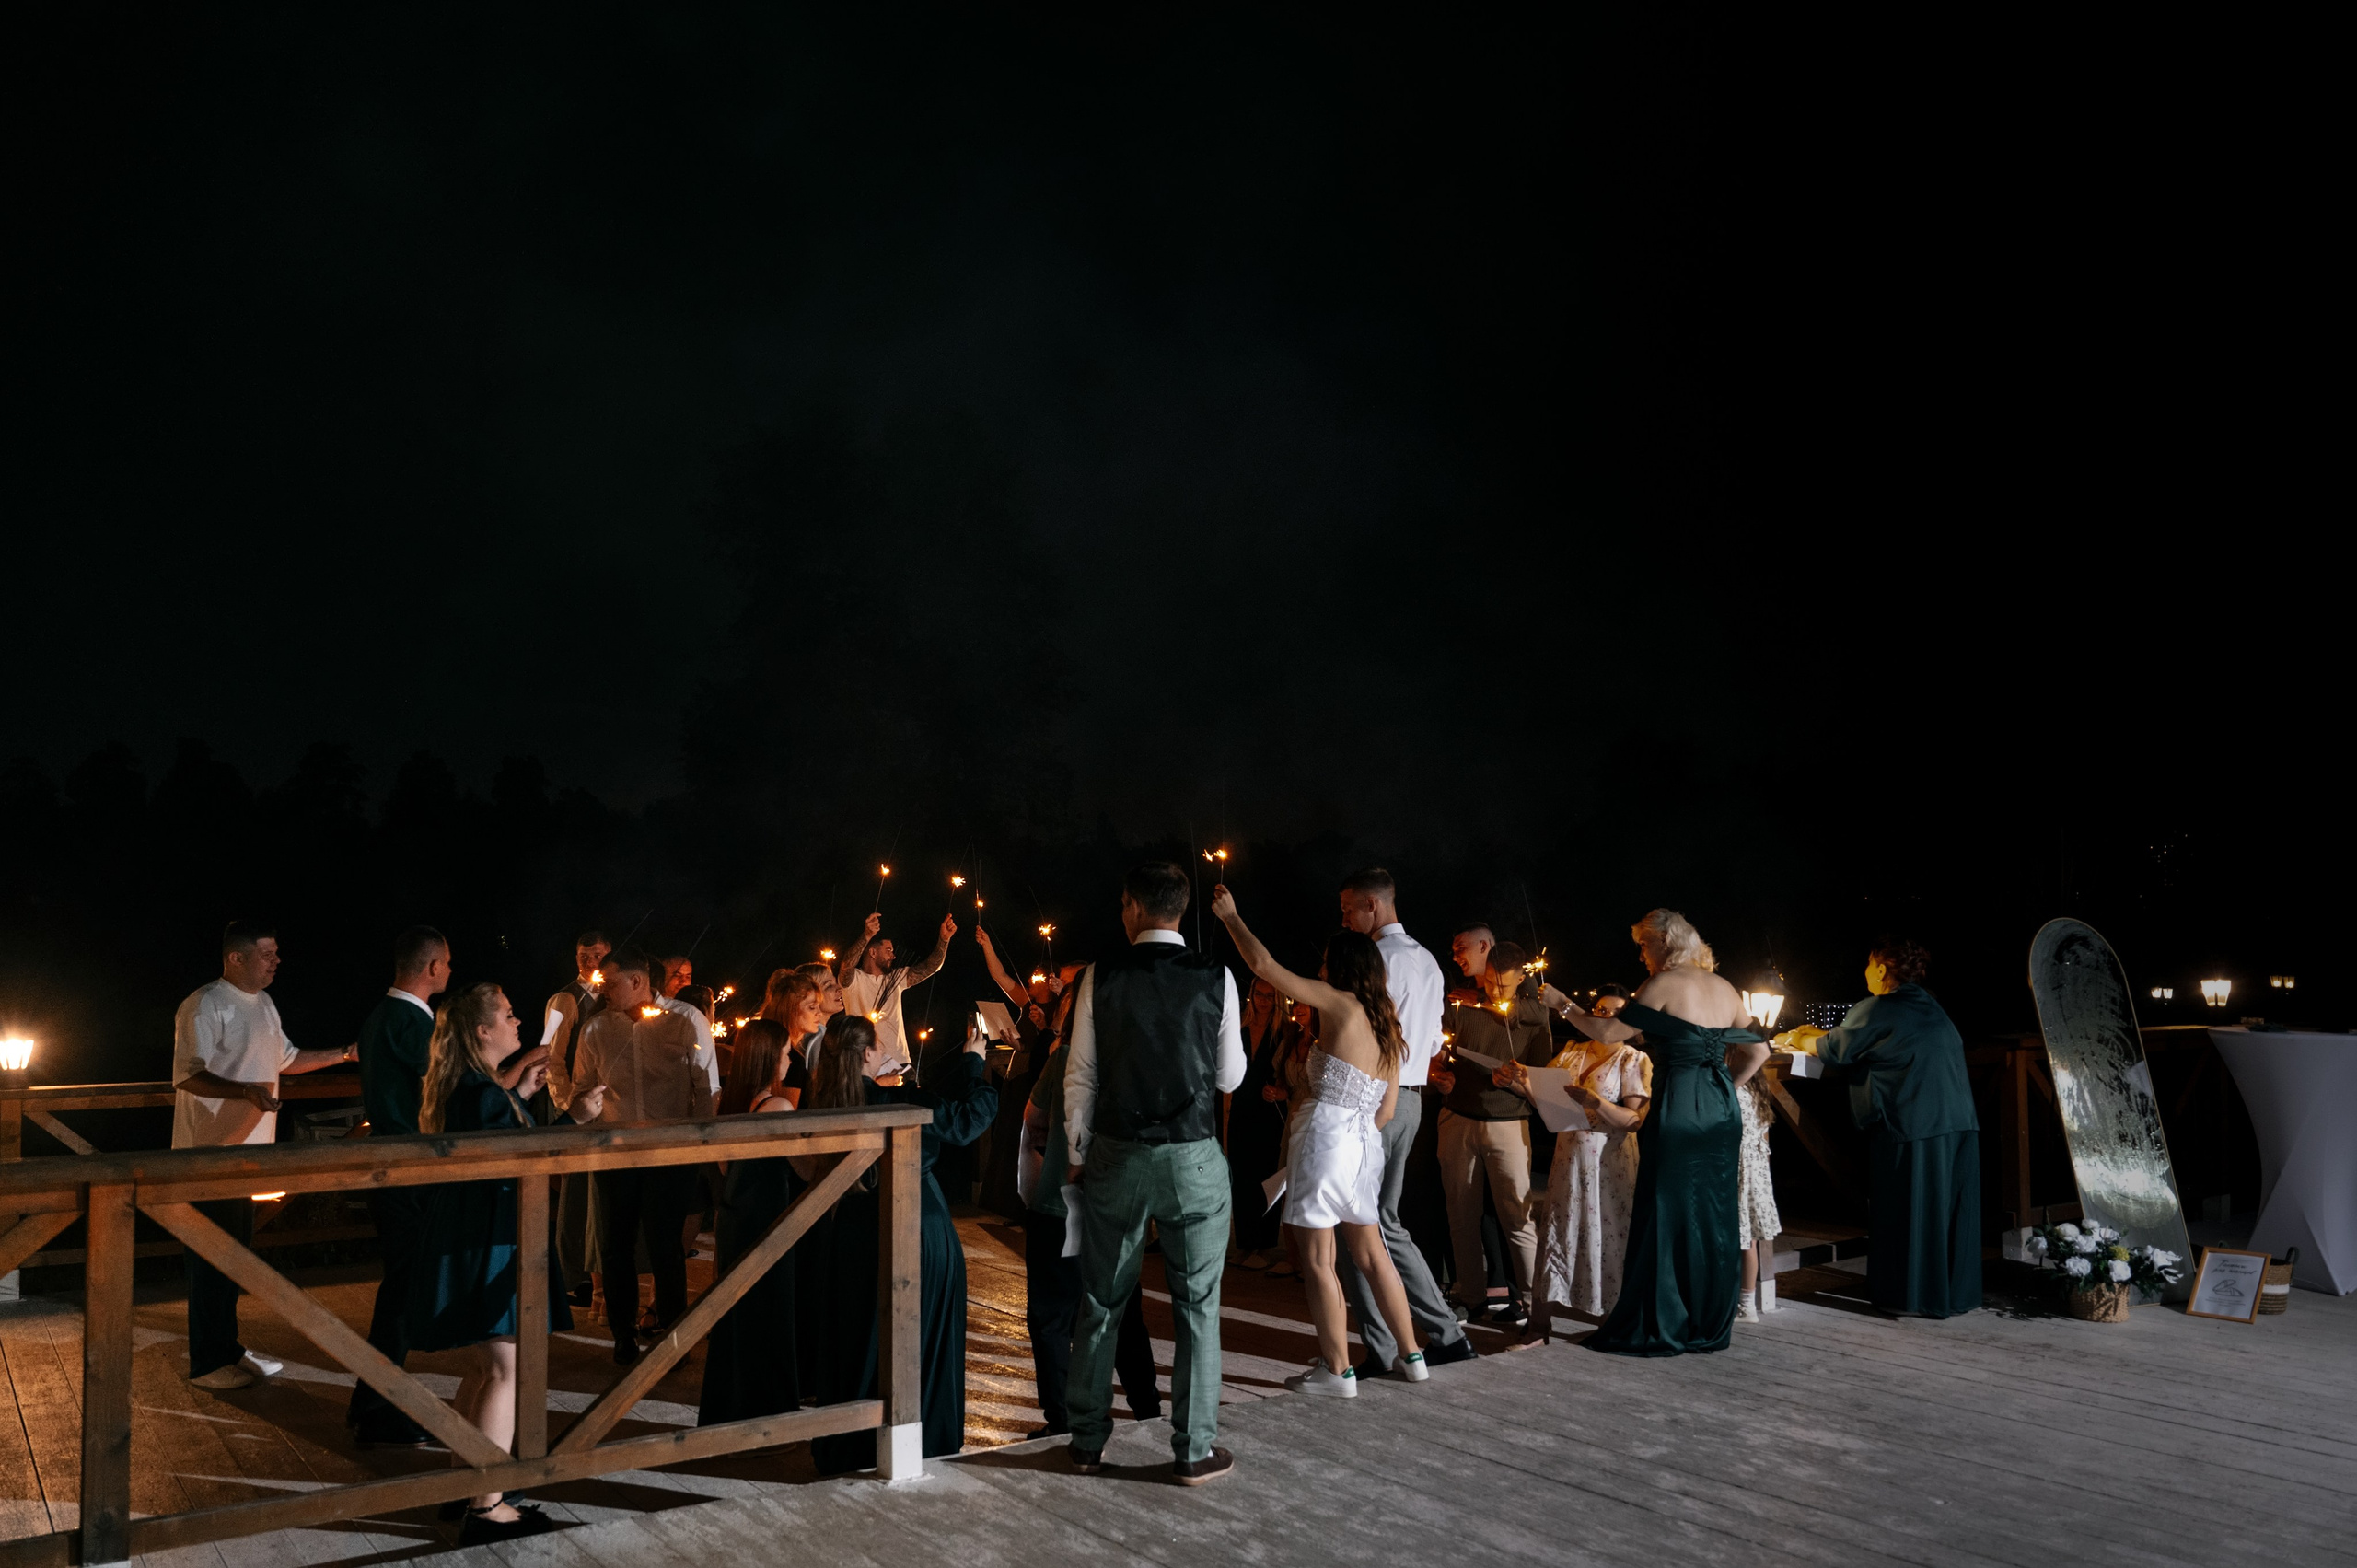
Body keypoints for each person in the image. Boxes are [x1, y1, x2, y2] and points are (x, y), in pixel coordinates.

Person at [1062, 862, 1244, 1485]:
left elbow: (1080, 1074)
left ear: (1134, 906)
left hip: (1117, 1149)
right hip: (1192, 1153)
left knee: (1102, 1300)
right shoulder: (1215, 976)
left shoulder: (1099, 975)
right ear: (1182, 908)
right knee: (1198, 1304)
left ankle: (1085, 1437)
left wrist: (1077, 1150)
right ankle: (1193, 1447)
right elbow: (1229, 1076)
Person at [408, 982, 606, 1545]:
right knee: (503, 1370)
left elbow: (493, 1128)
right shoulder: (479, 1094)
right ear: (482, 1032)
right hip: (490, 1241)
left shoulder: (473, 1087)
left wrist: (518, 1088)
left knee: (483, 1368)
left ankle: (463, 1486)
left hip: (471, 1235)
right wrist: (574, 1118)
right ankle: (487, 1504)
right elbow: (523, 1157)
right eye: (510, 1016)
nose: (519, 1023)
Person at [1213, 886, 1428, 1399]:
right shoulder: (1389, 1027)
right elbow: (1387, 1111)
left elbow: (1265, 965)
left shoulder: (1339, 1004)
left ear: (1343, 967)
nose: (1323, 969)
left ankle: (1336, 1369)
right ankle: (1413, 1355)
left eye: (1328, 961)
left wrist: (1231, 917)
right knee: (1373, 1255)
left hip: (1326, 1135)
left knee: (1317, 1260)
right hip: (1363, 1146)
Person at [1560, 910, 1769, 1357]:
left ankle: (1665, 1320)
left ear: (1664, 944)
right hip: (1720, 1108)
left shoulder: (1661, 985)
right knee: (1713, 1211)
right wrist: (1725, 1087)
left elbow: (1606, 1030)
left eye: (1643, 945)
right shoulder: (1724, 987)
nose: (1641, 956)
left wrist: (1562, 1005)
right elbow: (1759, 1053)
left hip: (1679, 1106)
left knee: (1666, 1208)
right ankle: (1709, 1320)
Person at [804, 1011, 998, 1474]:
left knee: (858, 1336)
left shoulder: (826, 1103)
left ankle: (849, 1446)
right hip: (917, 1225)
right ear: (869, 1053)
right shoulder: (905, 1103)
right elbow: (972, 1119)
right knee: (921, 1337)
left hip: (852, 1233)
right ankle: (923, 1443)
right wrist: (975, 1063)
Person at [172, 921, 356, 1390]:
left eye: (276, 953)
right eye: (267, 953)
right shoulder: (205, 1004)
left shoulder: (266, 1005)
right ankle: (207, 1365)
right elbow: (188, 1076)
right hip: (207, 1156)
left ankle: (229, 1350)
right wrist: (246, 1093)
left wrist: (347, 1053)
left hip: (251, 1155)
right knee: (212, 1261)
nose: (277, 961)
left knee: (236, 1258)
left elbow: (288, 1059)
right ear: (236, 957)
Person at [1332, 869, 1478, 1376]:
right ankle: (1437, 1334)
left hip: (1376, 1099)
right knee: (1379, 1222)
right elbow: (1433, 1036)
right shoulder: (1428, 962)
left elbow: (1376, 1033)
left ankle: (1393, 1344)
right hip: (1410, 1099)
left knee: (1363, 1223)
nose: (1344, 919)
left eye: (1349, 908)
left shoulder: (1378, 960)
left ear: (1373, 905)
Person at [1793, 937, 1980, 1318]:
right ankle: (1952, 1294)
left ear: (1881, 969)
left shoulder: (1879, 1007)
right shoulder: (1931, 1004)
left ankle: (1910, 1296)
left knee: (1908, 1207)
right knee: (1945, 1210)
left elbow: (1834, 1047)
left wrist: (1796, 1036)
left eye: (1868, 964)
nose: (1864, 972)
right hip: (1958, 1118)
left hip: (1914, 1120)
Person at [1017, 998, 1162, 1437]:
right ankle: (1149, 1409)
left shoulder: (1063, 1058)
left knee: (1052, 1317)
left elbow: (1033, 1117)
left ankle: (1063, 1420)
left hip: (1058, 1204)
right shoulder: (1134, 1059)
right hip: (1116, 1204)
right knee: (1124, 1313)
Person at [571, 948, 714, 1363]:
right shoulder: (597, 1029)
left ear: (637, 982)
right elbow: (581, 1086)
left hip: (669, 1154)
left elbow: (706, 1089)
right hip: (615, 1154)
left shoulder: (685, 1021)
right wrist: (585, 1110)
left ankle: (673, 1338)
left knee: (665, 1246)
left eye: (611, 982)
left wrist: (702, 1148)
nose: (604, 990)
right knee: (616, 1246)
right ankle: (623, 1335)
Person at [347, 925, 453, 1446]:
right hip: (405, 1168)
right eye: (448, 964)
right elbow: (450, 1079)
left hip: (393, 1165)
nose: (451, 972)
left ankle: (374, 1401)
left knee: (403, 1290)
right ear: (431, 968)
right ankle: (377, 1407)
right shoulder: (407, 1020)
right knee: (403, 1292)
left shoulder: (383, 1017)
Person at [1501, 980, 1651, 1344]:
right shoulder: (1571, 1051)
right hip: (1568, 1159)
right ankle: (1539, 1324)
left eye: (1614, 1013)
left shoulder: (1633, 1059)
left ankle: (1614, 1320)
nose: (1604, 1017)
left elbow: (1634, 1121)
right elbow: (1547, 1101)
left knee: (1610, 1236)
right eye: (1600, 1010)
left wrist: (1596, 1102)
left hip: (1609, 1162)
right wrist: (1519, 1083)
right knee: (1556, 1231)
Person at [1435, 941, 1555, 1326]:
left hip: (1508, 1122)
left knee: (1517, 1216)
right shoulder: (1462, 1007)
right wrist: (1439, 1073)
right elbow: (1437, 1050)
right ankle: (1470, 1298)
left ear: (1522, 978)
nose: (1493, 992)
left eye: (1503, 987)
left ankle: (1533, 1304)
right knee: (1461, 1214)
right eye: (1488, 983)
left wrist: (1517, 1081)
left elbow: (1543, 1081)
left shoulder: (1535, 1018)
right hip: (1458, 1119)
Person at [698, 1015, 804, 1428]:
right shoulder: (777, 1107)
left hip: (734, 1219)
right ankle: (766, 1417)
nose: (791, 1059)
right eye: (784, 1052)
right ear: (766, 1059)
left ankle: (729, 1412)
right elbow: (805, 1167)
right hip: (766, 1222)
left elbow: (723, 1167)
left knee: (736, 1323)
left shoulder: (730, 1103)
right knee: (769, 1318)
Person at [541, 928, 609, 1306]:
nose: (591, 962)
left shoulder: (613, 995)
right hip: (572, 1106)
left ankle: (595, 1272)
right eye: (585, 955)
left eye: (599, 955)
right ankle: (572, 1277)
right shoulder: (564, 999)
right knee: (572, 1192)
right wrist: (567, 1105)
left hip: (602, 1108)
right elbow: (552, 1056)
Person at [835, 911, 957, 1084]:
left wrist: (944, 940)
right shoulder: (854, 979)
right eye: (888, 950)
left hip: (900, 1061)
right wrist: (866, 935)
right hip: (864, 1063)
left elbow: (931, 967)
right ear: (872, 953)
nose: (893, 956)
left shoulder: (897, 978)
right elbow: (846, 965)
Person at [1225, 977, 1290, 1267]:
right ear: (1251, 996)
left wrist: (1279, 1091)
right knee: (1241, 1175)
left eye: (1269, 995)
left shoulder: (1283, 1033)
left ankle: (1264, 1244)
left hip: (1268, 1112)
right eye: (1258, 994)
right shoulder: (1239, 1030)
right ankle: (1245, 1243)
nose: (1263, 1000)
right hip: (1241, 1109)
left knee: (1266, 1175)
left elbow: (1291, 1073)